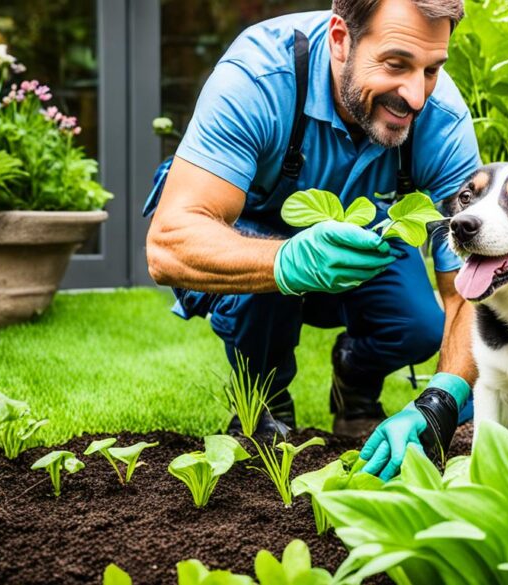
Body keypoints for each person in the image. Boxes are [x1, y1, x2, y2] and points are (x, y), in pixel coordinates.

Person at [145, 0, 477, 480]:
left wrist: (441, 400)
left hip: (365, 233)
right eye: (396, 64)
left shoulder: (442, 118)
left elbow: (470, 291)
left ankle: (355, 382)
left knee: (420, 324)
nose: (417, 95)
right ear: (340, 38)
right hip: (258, 226)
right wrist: (288, 261)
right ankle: (263, 394)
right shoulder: (259, 76)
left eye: (430, 69)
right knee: (263, 295)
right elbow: (169, 242)